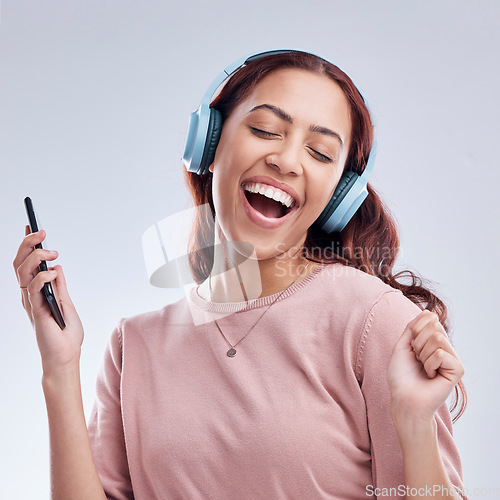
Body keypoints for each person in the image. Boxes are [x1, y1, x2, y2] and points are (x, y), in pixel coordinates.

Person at [13, 50, 468, 499]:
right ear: (209, 144)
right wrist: (60, 367)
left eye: (320, 152)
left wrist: (413, 426)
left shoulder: (375, 320)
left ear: (339, 192)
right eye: (265, 129)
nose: (287, 161)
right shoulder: (135, 345)